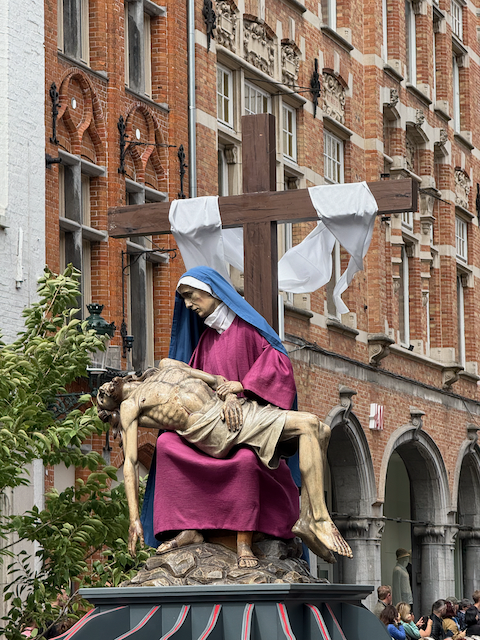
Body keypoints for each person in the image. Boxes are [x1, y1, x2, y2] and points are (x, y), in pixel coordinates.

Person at [97, 358, 353, 565]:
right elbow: (129, 463)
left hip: (232, 410)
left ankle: (309, 516)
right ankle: (316, 519)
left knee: (323, 430)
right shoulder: (132, 406)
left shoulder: (167, 365)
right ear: (113, 408)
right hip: (213, 431)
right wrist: (134, 520)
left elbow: (218, 381)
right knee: (308, 424)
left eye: (102, 389)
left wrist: (231, 397)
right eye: (101, 398)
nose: (103, 390)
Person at [141, 266, 301, 568]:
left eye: (192, 296)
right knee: (166, 445)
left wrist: (243, 387)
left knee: (244, 461)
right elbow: (193, 387)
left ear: (212, 291)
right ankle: (189, 528)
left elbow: (279, 367)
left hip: (248, 425)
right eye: (185, 299)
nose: (189, 305)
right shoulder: (205, 342)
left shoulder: (250, 331)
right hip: (208, 427)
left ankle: (244, 542)